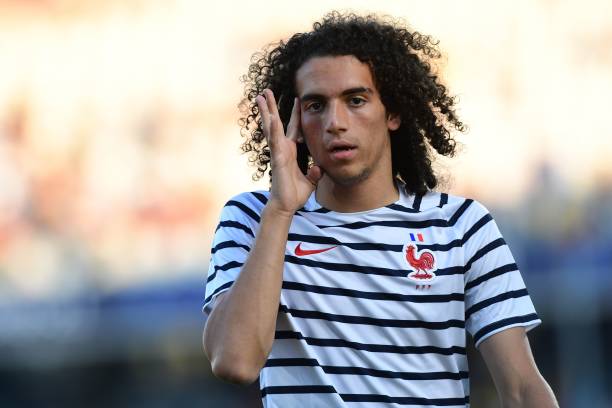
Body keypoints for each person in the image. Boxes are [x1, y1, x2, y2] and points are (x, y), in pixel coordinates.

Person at [202, 12, 558, 407]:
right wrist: (281, 211)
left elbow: (522, 389)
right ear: (296, 121)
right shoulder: (253, 218)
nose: (335, 122)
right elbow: (234, 362)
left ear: (393, 113)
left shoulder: (461, 226)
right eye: (316, 105)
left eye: (355, 100)